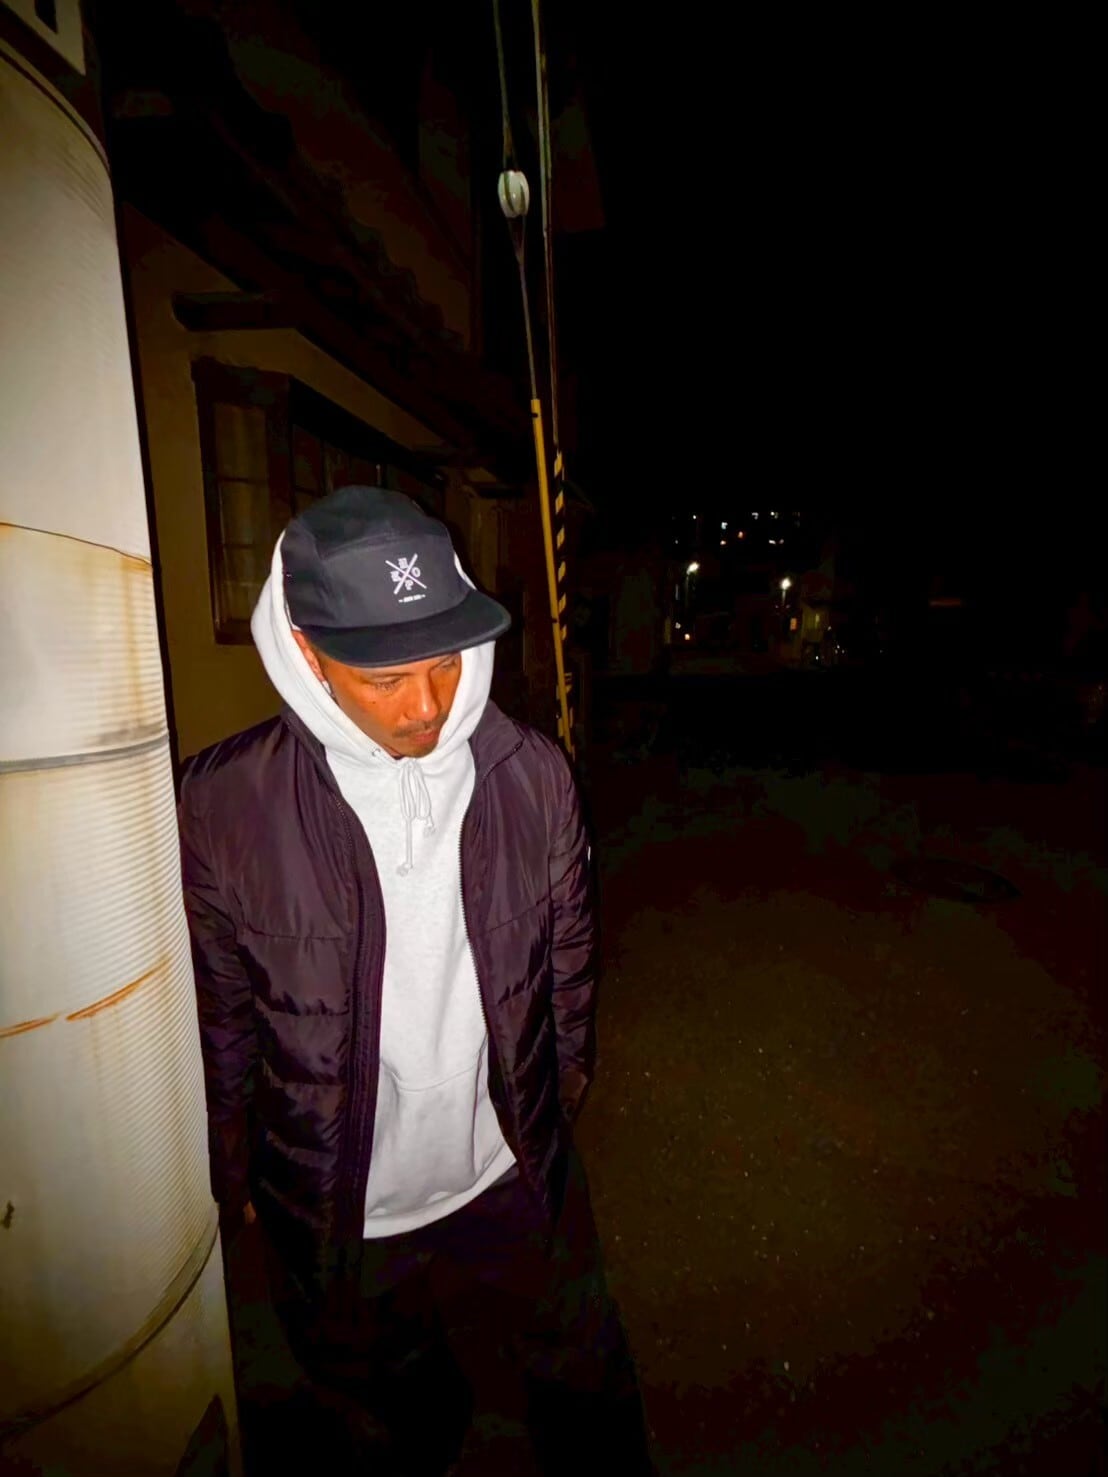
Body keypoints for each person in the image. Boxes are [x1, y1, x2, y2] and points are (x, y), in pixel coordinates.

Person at [179, 486, 652, 1476]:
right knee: (386, 1406)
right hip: (344, 1194)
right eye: (385, 676)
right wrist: (236, 1167)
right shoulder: (221, 805)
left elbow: (571, 959)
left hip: (508, 1162)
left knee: (585, 1374)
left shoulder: (532, 775)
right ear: (305, 653)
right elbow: (222, 1016)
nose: (428, 705)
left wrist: (557, 1092)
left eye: (445, 660)